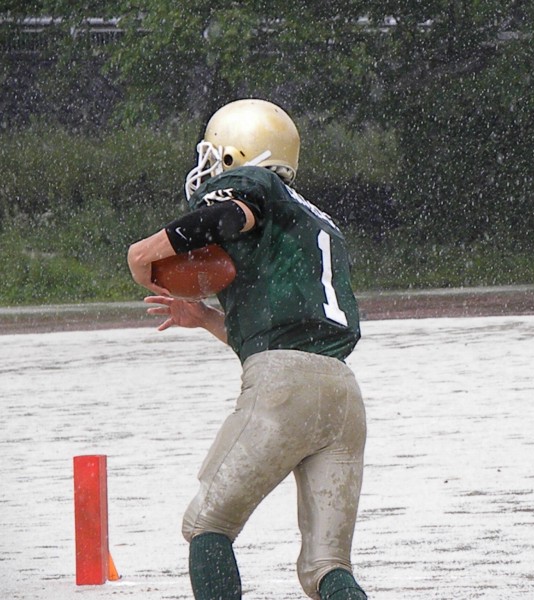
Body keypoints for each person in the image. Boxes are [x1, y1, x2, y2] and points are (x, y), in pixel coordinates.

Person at [127, 99, 368, 600]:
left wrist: (145, 251)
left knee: (207, 525)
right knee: (326, 567)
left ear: (236, 154)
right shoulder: (320, 222)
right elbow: (286, 330)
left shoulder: (256, 184)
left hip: (282, 388)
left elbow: (230, 216)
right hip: (342, 396)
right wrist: (205, 318)